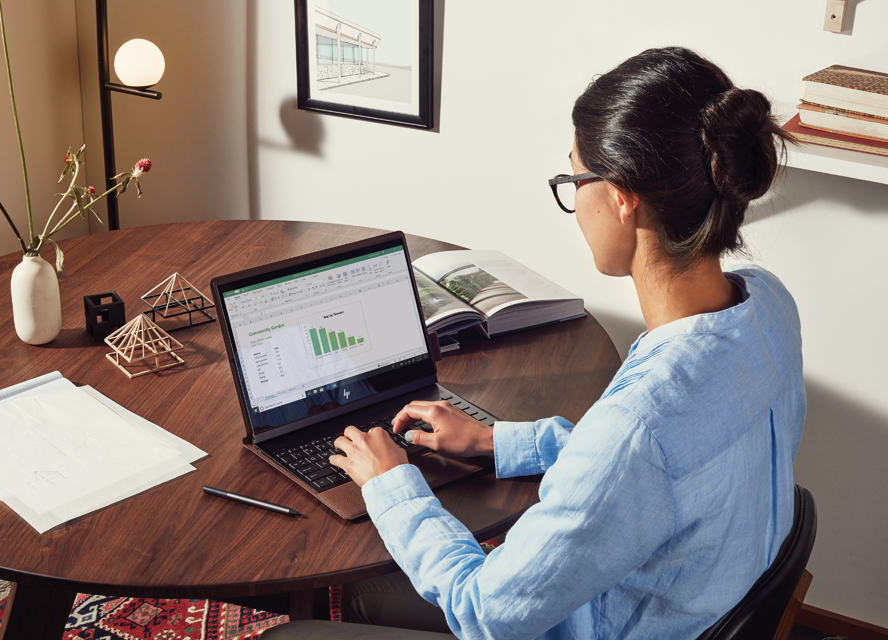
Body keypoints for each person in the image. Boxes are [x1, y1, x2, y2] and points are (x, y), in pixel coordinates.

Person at [265, 46, 805, 640]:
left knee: (305, 627)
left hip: (604, 624)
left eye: (575, 179)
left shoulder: (639, 427)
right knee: (378, 592)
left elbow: (483, 613)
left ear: (622, 198)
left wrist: (392, 486)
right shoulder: (768, 305)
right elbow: (664, 461)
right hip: (708, 597)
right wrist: (498, 440)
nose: (574, 200)